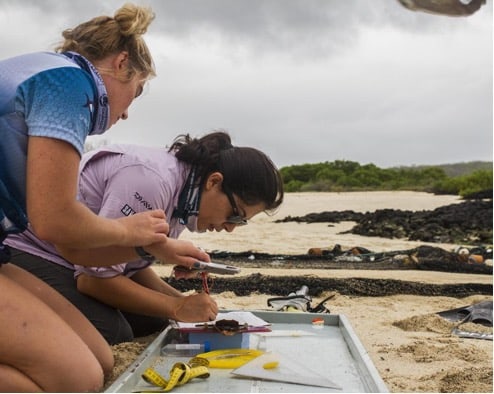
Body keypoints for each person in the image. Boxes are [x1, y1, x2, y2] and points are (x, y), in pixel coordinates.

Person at [0, 3, 208, 392]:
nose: (127, 112)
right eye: (137, 91)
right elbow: (54, 220)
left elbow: (73, 247)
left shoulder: (46, 70)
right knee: (75, 378)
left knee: (100, 358)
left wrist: (153, 249)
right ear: (121, 62)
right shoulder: (70, 84)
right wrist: (128, 232)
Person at [6, 130, 285, 345]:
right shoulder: (152, 181)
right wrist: (178, 306)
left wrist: (183, 301)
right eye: (235, 215)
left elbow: (127, 263)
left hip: (73, 259)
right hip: (27, 246)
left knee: (153, 320)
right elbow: (93, 279)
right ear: (214, 182)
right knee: (112, 330)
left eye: (241, 223)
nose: (230, 228)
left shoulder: (185, 193)